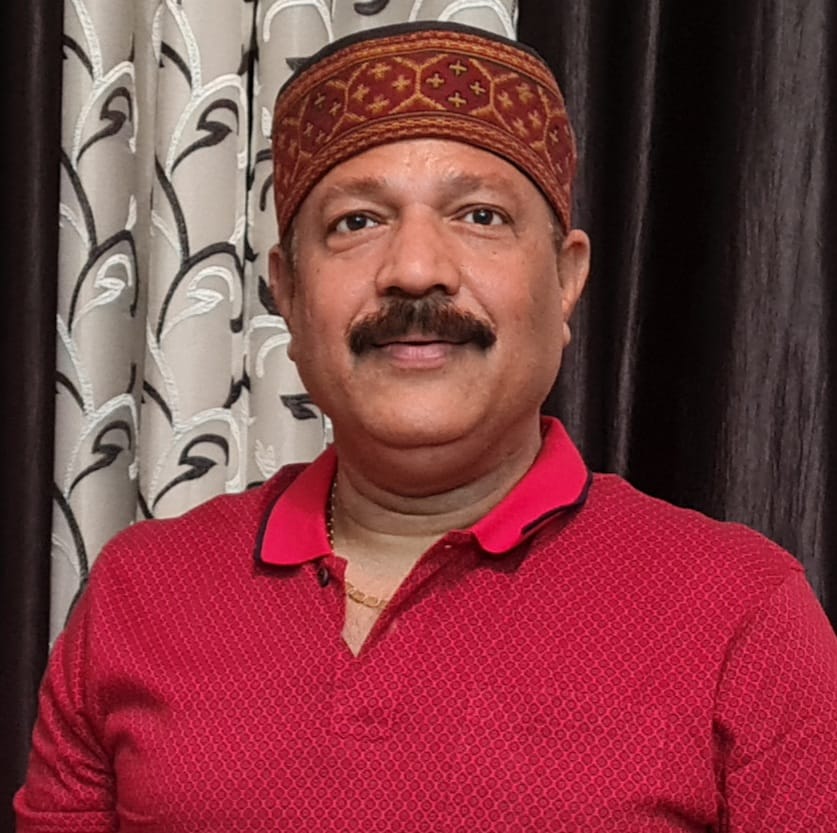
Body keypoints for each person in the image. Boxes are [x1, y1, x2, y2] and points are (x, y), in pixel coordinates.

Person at [15, 22, 837, 832]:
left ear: (565, 281)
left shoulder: (743, 615)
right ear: (287, 295)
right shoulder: (138, 592)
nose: (414, 269)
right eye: (356, 222)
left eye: (479, 216)